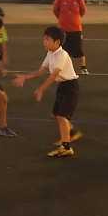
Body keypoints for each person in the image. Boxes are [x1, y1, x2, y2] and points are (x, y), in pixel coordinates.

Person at [14, 26, 83, 158]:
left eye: (47, 39)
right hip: (62, 86)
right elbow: (41, 71)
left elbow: (53, 76)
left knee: (62, 116)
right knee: (57, 114)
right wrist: (25, 77)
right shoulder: (50, 53)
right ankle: (71, 133)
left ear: (57, 42)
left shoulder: (62, 55)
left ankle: (66, 147)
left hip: (70, 87)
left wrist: (41, 89)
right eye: (44, 39)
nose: (44, 42)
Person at [52, 0, 89, 75]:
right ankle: (61, 68)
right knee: (62, 50)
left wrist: (75, 19)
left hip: (76, 29)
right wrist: (62, 19)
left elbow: (83, 11)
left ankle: (83, 68)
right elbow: (55, 11)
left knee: (78, 49)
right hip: (63, 29)